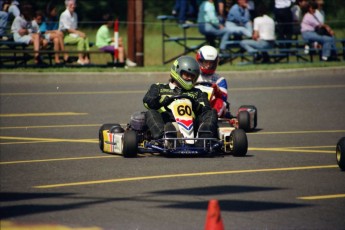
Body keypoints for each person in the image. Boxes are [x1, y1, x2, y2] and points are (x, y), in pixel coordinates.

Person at [143, 55, 218, 144]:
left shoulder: (197, 92)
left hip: (192, 124)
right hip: (166, 121)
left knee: (212, 112)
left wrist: (195, 104)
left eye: (192, 76)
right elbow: (147, 102)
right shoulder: (159, 88)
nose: (190, 78)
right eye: (187, 74)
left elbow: (206, 109)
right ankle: (165, 138)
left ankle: (204, 138)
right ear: (177, 72)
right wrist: (163, 101)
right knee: (151, 113)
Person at [196, 45, 229, 117]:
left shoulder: (220, 79)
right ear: (200, 61)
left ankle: (211, 117)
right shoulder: (193, 76)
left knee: (220, 102)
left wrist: (217, 90)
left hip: (211, 106)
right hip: (195, 103)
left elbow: (224, 98)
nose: (208, 65)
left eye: (211, 63)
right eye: (206, 62)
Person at [59, 0, 90, 65]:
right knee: (81, 39)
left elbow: (75, 28)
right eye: (71, 5)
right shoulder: (64, 15)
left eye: (74, 4)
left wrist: (79, 33)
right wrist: (79, 33)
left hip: (73, 35)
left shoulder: (75, 14)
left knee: (85, 37)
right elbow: (67, 29)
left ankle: (87, 57)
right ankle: (80, 58)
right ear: (67, 6)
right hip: (65, 36)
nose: (73, 6)